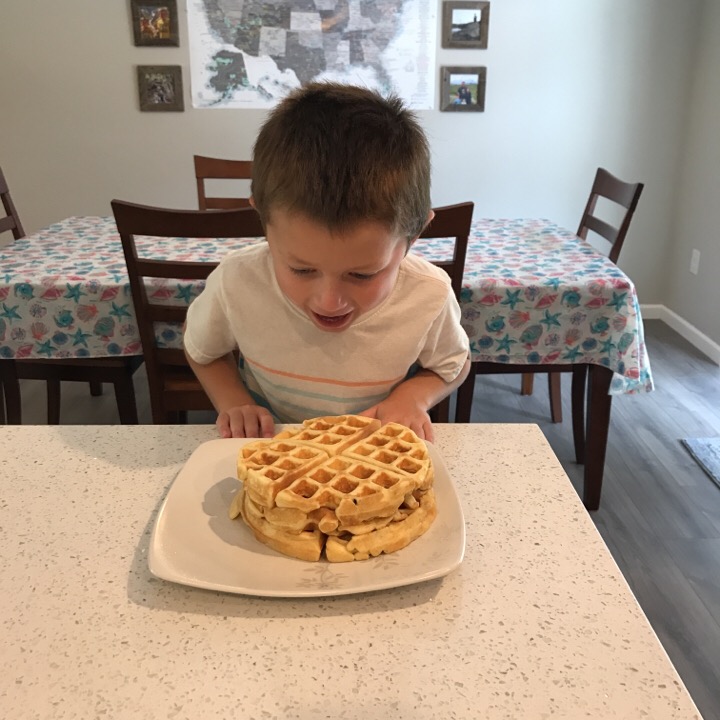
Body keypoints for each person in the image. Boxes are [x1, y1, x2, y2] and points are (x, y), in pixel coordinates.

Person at [183, 82, 470, 441]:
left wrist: (412, 396)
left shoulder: (428, 293)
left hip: (371, 446)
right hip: (275, 444)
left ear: (413, 237)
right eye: (302, 269)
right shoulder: (237, 280)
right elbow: (202, 348)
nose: (329, 301)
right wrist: (233, 401)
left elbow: (453, 364)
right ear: (264, 222)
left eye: (362, 274)